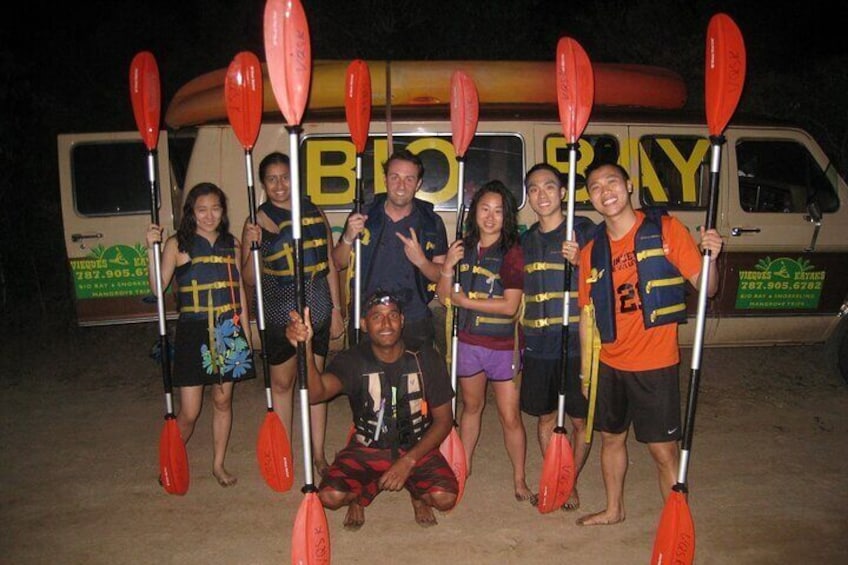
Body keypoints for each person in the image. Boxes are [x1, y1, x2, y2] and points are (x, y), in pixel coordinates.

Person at [565, 162, 722, 526]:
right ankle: (614, 509)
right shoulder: (591, 251)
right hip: (610, 364)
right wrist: (587, 374)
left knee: (663, 452)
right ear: (591, 198)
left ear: (629, 186)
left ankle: (676, 524)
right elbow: (587, 318)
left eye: (612, 182)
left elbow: (707, 288)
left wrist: (711, 256)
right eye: (595, 187)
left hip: (655, 363)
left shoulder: (664, 230)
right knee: (611, 439)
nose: (605, 191)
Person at [284, 290, 458, 530]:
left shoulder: (426, 357)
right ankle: (358, 495)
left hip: (416, 446)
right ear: (364, 324)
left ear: (402, 320)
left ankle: (417, 494)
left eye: (392, 315)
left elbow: (444, 421)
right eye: (377, 317)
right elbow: (316, 394)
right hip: (368, 447)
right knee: (330, 497)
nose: (386, 324)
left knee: (445, 498)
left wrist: (408, 461)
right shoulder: (353, 360)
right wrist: (304, 348)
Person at [241, 152, 344, 477]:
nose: (279, 185)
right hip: (277, 311)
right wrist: (252, 246)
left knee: (315, 382)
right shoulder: (255, 222)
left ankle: (318, 454)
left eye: (285, 177)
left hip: (317, 307)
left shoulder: (314, 212)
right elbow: (248, 278)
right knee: (282, 384)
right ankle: (283, 451)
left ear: (294, 178)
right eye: (271, 179)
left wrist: (338, 309)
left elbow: (328, 262)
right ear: (262, 183)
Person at [146, 182, 255, 487]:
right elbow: (158, 288)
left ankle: (218, 465)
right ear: (191, 212)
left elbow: (239, 295)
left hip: (228, 330)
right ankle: (170, 463)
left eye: (216, 208)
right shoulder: (176, 244)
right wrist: (149, 249)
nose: (209, 216)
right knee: (189, 411)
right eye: (202, 209)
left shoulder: (231, 244)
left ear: (223, 211)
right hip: (193, 332)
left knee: (223, 401)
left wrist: (244, 335)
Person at [436, 180, 534, 504]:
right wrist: (448, 267)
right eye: (484, 209)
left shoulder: (513, 253)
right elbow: (442, 295)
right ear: (474, 212)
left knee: (510, 416)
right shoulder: (462, 247)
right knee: (471, 407)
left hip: (503, 347)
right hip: (468, 343)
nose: (490, 217)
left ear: (507, 216)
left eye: (498, 211)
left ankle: (519, 479)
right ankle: (462, 469)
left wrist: (467, 303)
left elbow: (509, 307)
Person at [520, 163, 596, 511]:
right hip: (539, 344)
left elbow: (606, 277)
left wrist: (581, 261)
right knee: (546, 417)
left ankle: (571, 480)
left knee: (579, 419)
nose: (542, 194)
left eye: (549, 187)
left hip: (578, 343)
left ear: (563, 193)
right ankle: (554, 474)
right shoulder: (524, 241)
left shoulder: (584, 230)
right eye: (534, 189)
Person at [332, 149, 448, 350]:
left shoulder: (431, 222)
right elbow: (338, 262)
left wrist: (421, 261)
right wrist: (348, 237)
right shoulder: (363, 214)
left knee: (414, 380)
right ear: (385, 179)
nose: (401, 185)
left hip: (414, 319)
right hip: (367, 317)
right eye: (395, 177)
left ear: (418, 184)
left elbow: (441, 275)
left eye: (409, 179)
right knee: (366, 380)